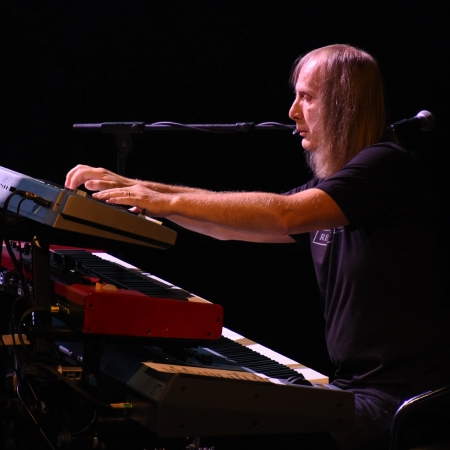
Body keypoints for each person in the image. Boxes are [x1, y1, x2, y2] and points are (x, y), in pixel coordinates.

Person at [65, 44, 450, 450]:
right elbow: (226, 226)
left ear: (344, 105)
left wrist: (160, 199)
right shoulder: (337, 188)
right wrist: (140, 191)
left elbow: (284, 214)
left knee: (241, 428)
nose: (293, 112)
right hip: (353, 391)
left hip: (403, 403)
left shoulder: (386, 166)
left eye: (307, 97)